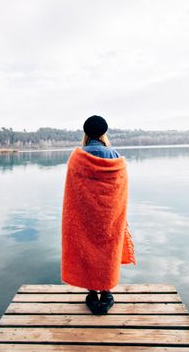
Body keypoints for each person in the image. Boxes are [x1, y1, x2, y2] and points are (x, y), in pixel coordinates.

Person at [61, 115, 136, 316]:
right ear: (104, 133)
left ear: (86, 134)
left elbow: (72, 191)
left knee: (88, 249)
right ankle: (106, 291)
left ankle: (92, 292)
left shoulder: (77, 157)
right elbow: (121, 190)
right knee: (107, 251)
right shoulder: (115, 156)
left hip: (85, 216)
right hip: (110, 216)